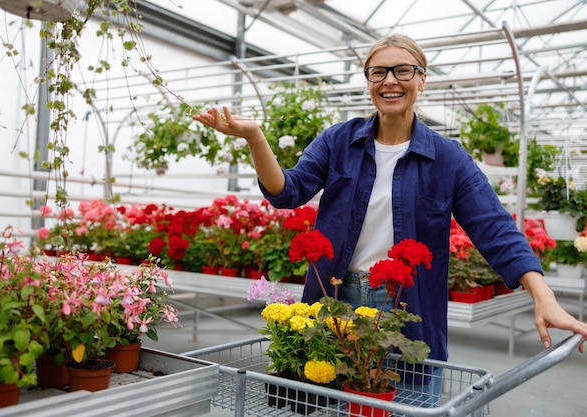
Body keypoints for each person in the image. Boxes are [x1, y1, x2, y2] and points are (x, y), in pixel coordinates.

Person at [194, 33, 587, 404]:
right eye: (378, 72)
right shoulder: (339, 141)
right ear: (368, 81)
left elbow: (494, 226)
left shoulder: (448, 159)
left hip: (404, 304)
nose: (390, 81)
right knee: (328, 400)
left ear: (422, 79)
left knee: (404, 400)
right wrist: (254, 137)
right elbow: (286, 192)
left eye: (403, 70)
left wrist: (543, 294)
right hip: (336, 297)